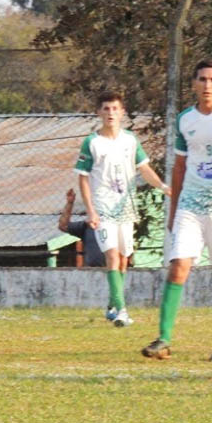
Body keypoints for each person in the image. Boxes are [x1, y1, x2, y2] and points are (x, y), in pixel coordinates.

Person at [140, 59, 212, 361]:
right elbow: (179, 167)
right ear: (194, 84)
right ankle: (163, 338)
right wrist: (173, 210)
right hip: (191, 203)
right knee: (178, 265)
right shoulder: (185, 119)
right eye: (202, 80)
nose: (207, 85)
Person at [73, 91, 169, 327]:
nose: (110, 113)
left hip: (126, 208)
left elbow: (144, 169)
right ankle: (123, 311)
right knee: (112, 256)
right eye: (106, 109)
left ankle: (113, 303)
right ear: (99, 113)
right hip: (103, 209)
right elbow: (83, 178)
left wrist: (163, 186)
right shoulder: (92, 142)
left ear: (122, 112)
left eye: (115, 109)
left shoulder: (130, 140)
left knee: (124, 259)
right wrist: (91, 211)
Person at [58, 188, 107, 269]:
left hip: (112, 269)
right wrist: (70, 203)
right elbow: (63, 225)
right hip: (91, 271)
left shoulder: (116, 224)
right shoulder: (87, 226)